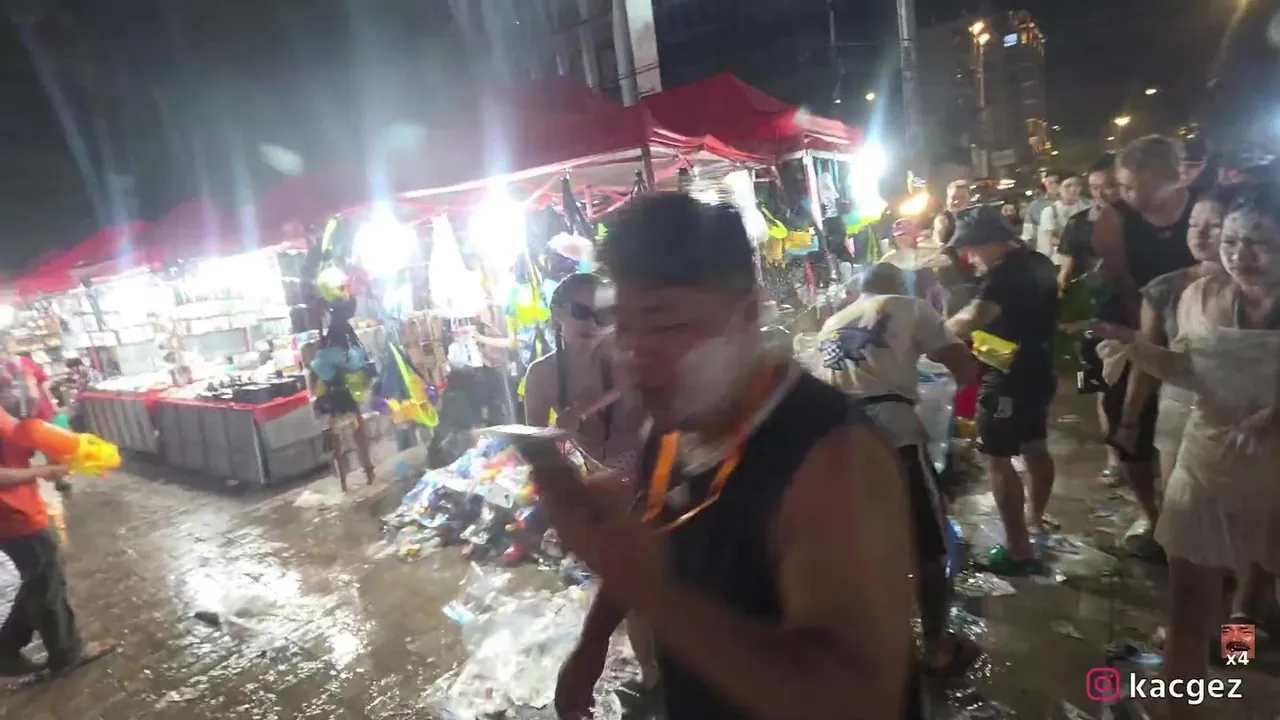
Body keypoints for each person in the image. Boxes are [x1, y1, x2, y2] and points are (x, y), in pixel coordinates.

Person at [546, 193, 916, 719]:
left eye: (666, 324)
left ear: (746, 314)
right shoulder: (671, 432)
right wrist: (593, 642)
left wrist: (652, 591)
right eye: (624, 326)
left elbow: (859, 701)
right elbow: (644, 537)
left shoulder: (833, 457)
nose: (635, 352)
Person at [1092, 184, 1280, 720]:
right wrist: (1134, 348)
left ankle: (1239, 650)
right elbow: (1185, 369)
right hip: (1208, 458)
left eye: (1258, 242)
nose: (1240, 254)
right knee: (1189, 605)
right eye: (1232, 241)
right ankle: (1183, 707)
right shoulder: (1191, 295)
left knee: (1252, 588)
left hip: (1274, 471)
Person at [817, 262, 980, 676]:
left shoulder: (832, 322)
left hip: (838, 443)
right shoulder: (910, 306)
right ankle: (937, 648)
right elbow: (962, 365)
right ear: (898, 285)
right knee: (928, 543)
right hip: (895, 437)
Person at [522, 273, 662, 699]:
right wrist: (560, 446)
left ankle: (660, 676)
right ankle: (654, 677)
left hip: (649, 476)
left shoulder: (631, 361)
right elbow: (536, 447)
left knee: (645, 586)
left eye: (603, 315)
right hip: (597, 485)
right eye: (581, 312)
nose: (592, 324)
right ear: (558, 314)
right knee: (630, 588)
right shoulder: (542, 375)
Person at [1092, 136, 1198, 558]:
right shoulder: (1115, 219)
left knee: (1190, 430)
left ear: (1168, 177)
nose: (1125, 194)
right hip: (1135, 324)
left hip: (1199, 328)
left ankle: (1189, 520)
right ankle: (1153, 516)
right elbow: (1123, 283)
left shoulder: (1204, 210)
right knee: (1128, 420)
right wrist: (1145, 337)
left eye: (1133, 185)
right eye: (1122, 184)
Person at [945, 206, 1060, 574]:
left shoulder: (1004, 274)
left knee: (997, 458)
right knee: (1034, 444)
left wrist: (934, 331)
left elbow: (975, 316)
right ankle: (1035, 521)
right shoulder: (1039, 261)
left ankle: (1018, 549)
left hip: (1008, 373)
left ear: (992, 240)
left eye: (973, 248)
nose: (969, 256)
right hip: (1040, 365)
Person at [0, 373, 113, 677]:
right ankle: (66, 655)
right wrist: (44, 471)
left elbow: (20, 442)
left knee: (40, 579)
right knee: (47, 582)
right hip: (12, 515)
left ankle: (6, 649)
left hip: (20, 510)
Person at [1038, 174, 1091, 262]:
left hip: (1088, 258)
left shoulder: (1089, 205)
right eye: (1068, 186)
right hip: (1061, 259)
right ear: (1058, 188)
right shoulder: (1051, 211)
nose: (1073, 189)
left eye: (1077, 185)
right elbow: (1052, 238)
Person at [1022, 168, 1064, 246]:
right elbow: (1028, 234)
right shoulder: (1035, 206)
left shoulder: (1078, 203)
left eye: (1056, 182)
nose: (1053, 185)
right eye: (1049, 182)